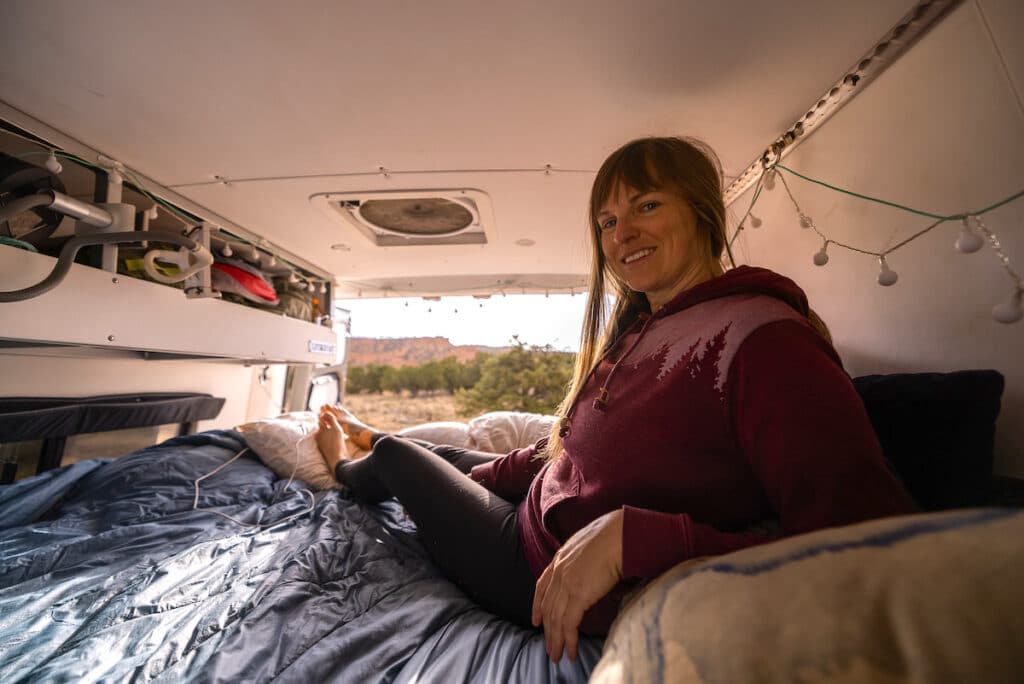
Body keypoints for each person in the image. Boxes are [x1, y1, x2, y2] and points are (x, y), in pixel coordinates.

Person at [315, 136, 917, 663]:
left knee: (398, 454)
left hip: (538, 566)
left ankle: (346, 461)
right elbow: (571, 458)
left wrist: (638, 539)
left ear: (704, 212)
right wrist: (495, 473)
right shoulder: (639, 329)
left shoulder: (765, 342)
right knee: (441, 454)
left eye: (647, 206)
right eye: (606, 222)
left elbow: (865, 549)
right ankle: (366, 436)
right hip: (541, 508)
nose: (621, 234)